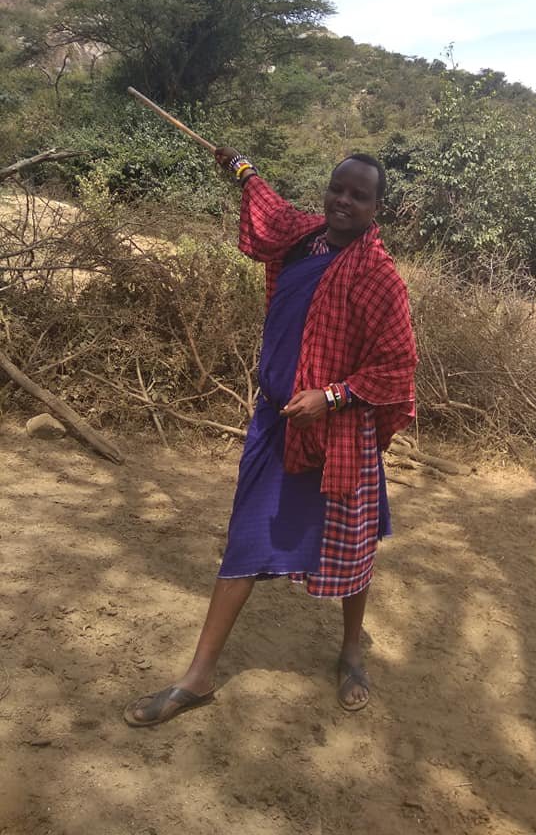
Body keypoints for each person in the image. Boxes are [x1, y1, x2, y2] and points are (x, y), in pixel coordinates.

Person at [123, 148, 417, 726]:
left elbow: (396, 367)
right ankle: (200, 675)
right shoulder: (300, 241)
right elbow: (268, 206)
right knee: (244, 540)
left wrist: (331, 397)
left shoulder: (380, 278)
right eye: (338, 188)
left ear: (376, 208)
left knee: (353, 549)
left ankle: (351, 652)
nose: (344, 201)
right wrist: (240, 168)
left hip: (341, 436)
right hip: (276, 423)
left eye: (359, 195)